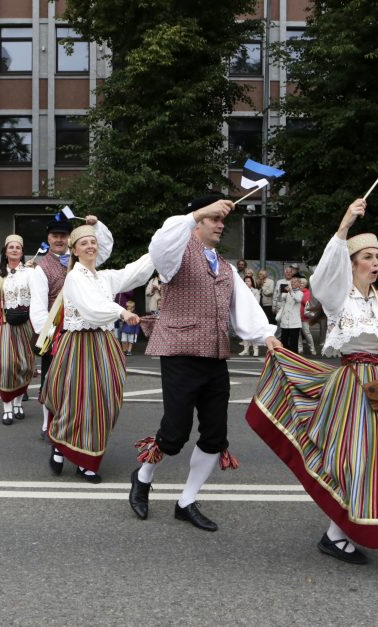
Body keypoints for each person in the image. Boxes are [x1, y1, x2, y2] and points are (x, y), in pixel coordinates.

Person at [246, 198, 378, 565]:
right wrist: (345, 225)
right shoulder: (339, 299)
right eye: (366, 257)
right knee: (357, 459)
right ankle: (337, 534)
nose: (375, 263)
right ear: (350, 264)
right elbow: (322, 279)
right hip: (354, 386)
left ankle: (343, 531)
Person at [129, 195, 279, 532]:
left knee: (215, 435)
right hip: (180, 353)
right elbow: (159, 244)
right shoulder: (175, 253)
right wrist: (195, 211)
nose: (220, 223)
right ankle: (143, 476)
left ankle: (186, 501)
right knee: (174, 434)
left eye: (221, 220)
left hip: (214, 356)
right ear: (196, 222)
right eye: (214, 218)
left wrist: (266, 336)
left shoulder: (225, 267)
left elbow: (244, 309)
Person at [41, 224, 154, 483]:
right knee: (77, 400)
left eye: (93, 242)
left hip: (104, 344)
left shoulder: (104, 277)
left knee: (105, 401)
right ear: (75, 250)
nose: (90, 246)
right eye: (84, 243)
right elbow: (92, 306)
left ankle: (77, 450)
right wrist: (121, 311)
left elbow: (133, 272)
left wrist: (158, 250)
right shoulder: (74, 277)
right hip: (79, 345)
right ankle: (70, 451)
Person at [30, 214, 113, 436]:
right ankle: (48, 425)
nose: (59, 239)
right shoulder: (41, 268)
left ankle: (76, 424)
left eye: (63, 235)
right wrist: (46, 337)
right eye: (55, 235)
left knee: (79, 383)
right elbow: (38, 307)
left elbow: (104, 250)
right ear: (48, 238)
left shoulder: (81, 258)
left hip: (83, 331)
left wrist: (96, 225)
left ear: (69, 239)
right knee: (51, 381)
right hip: (56, 333)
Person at [0, 234, 35, 423]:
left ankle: (18, 402)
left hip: (26, 324)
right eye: (11, 247)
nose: (15, 250)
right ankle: (7, 406)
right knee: (6, 365)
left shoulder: (30, 273)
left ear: (22, 251)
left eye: (18, 247)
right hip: (5, 324)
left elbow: (40, 297)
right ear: (6, 251)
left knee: (24, 366)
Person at [277, 276, 304, 354]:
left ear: (299, 284)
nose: (292, 283)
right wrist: (284, 292)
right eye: (291, 282)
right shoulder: (288, 292)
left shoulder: (300, 293)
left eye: (295, 282)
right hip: (285, 321)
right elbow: (282, 299)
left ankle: (294, 358)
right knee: (284, 342)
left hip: (294, 323)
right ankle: (285, 357)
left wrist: (291, 291)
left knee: (293, 343)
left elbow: (297, 299)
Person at [239, 275, 261, 356]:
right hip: (243, 313)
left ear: (252, 282)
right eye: (245, 281)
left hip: (252, 313)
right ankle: (246, 349)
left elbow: (257, 302)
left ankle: (256, 349)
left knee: (253, 332)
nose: (246, 282)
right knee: (244, 331)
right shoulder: (241, 291)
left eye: (248, 281)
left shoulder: (255, 291)